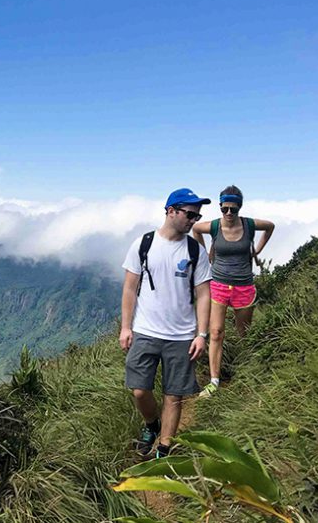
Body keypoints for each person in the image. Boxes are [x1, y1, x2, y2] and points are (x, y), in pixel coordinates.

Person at [120, 188, 213, 459]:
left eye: (197, 215)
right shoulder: (144, 244)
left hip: (182, 335)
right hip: (145, 330)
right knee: (139, 390)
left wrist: (201, 334)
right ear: (171, 211)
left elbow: (204, 293)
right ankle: (152, 424)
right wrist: (126, 327)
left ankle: (164, 448)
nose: (193, 220)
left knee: (174, 395)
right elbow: (129, 288)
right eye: (189, 214)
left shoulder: (196, 250)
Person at [191, 185, 274, 397]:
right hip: (218, 283)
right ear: (220, 207)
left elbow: (271, 226)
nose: (228, 213)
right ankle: (214, 381)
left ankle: (247, 372)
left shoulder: (249, 225)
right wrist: (206, 252)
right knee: (216, 332)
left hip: (244, 286)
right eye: (224, 208)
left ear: (240, 208)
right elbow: (196, 229)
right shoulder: (215, 227)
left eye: (233, 209)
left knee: (244, 333)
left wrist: (257, 250)